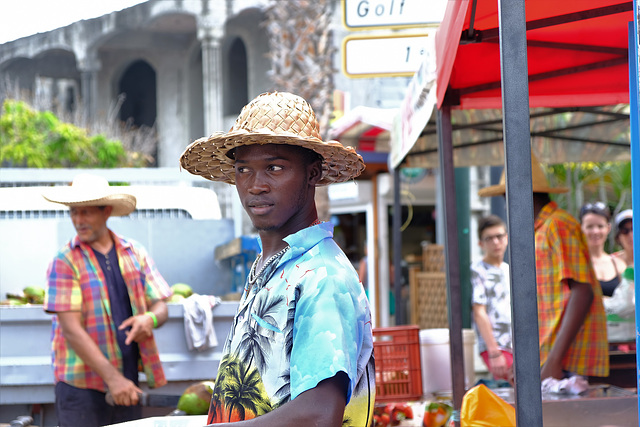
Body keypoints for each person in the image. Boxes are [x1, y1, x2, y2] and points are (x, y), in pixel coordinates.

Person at [180, 91, 374, 426]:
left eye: (274, 167)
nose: (256, 185)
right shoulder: (273, 267)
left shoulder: (322, 275)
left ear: (312, 174)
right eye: (244, 170)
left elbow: (318, 414)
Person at [42, 174, 172, 427]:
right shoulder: (65, 260)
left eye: (86, 213)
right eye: (74, 213)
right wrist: (113, 380)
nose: (78, 221)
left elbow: (161, 304)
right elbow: (71, 329)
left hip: (127, 380)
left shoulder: (134, 252)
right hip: (81, 386)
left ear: (107, 211)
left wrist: (150, 318)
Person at [478, 153, 609, 382]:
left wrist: (554, 361)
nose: (507, 205)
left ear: (521, 195)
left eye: (507, 197)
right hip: (552, 357)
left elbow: (582, 291)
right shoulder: (541, 230)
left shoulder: (557, 225)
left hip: (569, 361)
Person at [470, 215, 513, 382]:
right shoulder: (477, 270)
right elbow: (479, 311)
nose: (496, 242)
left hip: (515, 345)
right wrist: (494, 352)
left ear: (507, 238)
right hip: (496, 347)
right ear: (481, 244)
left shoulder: (508, 269)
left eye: (499, 236)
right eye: (489, 238)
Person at [579, 202, 627, 296]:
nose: (595, 231)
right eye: (590, 226)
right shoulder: (575, 264)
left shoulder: (618, 265)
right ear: (581, 228)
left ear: (608, 228)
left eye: (600, 226)